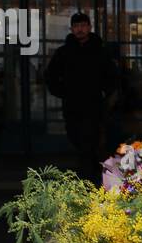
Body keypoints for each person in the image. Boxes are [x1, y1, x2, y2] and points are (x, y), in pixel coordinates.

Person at [45, 12, 118, 184]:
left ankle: (90, 180)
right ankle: (89, 177)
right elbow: (51, 76)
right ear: (71, 29)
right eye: (76, 26)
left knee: (89, 143)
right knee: (77, 139)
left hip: (94, 106)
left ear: (89, 27)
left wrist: (104, 93)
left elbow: (112, 76)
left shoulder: (100, 51)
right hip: (72, 106)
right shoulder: (63, 52)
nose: (80, 29)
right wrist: (64, 92)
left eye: (83, 25)